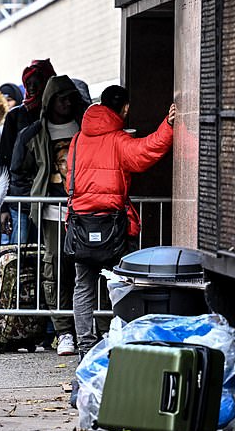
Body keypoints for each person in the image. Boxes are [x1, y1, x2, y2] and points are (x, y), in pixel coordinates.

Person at [67, 85, 175, 359]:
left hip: (81, 223)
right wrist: (168, 125)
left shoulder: (78, 139)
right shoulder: (116, 140)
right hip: (114, 227)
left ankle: (85, 346)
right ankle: (123, 339)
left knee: (83, 286)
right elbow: (145, 152)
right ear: (125, 108)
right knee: (124, 284)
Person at [10, 74, 88, 356]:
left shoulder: (86, 129)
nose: (66, 103)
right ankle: (64, 330)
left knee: (88, 268)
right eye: (61, 98)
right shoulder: (33, 134)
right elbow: (18, 172)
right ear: (50, 101)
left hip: (85, 209)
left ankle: (89, 329)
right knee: (54, 270)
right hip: (52, 212)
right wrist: (26, 204)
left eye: (70, 98)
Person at [0, 59, 56, 244]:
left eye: (36, 83)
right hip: (20, 199)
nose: (31, 88)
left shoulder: (56, 116)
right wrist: (3, 207)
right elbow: (4, 162)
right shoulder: (15, 116)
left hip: (51, 198)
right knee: (19, 257)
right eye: (28, 83)